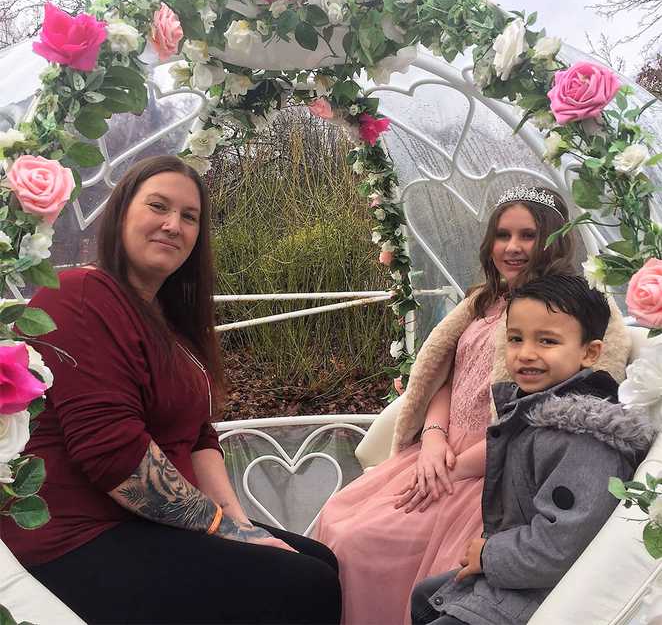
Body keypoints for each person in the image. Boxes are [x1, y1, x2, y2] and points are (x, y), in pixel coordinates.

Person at [2, 155, 342, 625]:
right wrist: (226, 531)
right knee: (306, 583)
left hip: (151, 524)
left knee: (321, 559)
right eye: (158, 206)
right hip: (81, 536)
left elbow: (200, 435)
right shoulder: (78, 294)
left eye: (189, 217)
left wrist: (239, 524)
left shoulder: (170, 322)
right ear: (122, 214)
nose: (172, 225)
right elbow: (114, 456)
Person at [314, 185, 631, 625]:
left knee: (365, 540)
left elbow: (566, 404)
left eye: (527, 235)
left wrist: (458, 466)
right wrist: (431, 439)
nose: (513, 247)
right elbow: (444, 378)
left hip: (491, 468)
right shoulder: (482, 300)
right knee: (338, 518)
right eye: (503, 235)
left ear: (553, 239)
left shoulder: (577, 309)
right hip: (437, 452)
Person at [410, 275, 653, 625]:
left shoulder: (585, 439)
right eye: (515, 339)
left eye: (547, 341)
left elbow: (560, 547)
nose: (526, 354)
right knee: (424, 596)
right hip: (522, 578)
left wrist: (490, 555)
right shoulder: (533, 413)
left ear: (590, 352)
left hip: (546, 598)